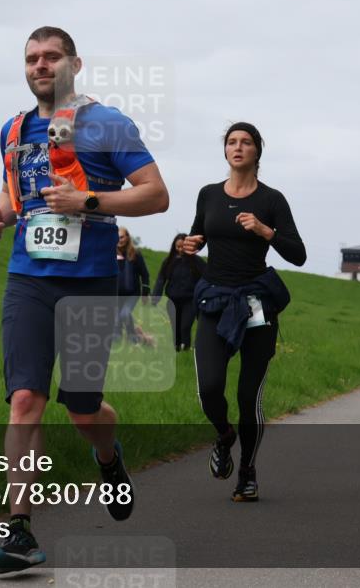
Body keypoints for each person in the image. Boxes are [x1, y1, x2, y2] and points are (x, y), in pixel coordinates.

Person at [0, 26, 169, 574]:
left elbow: (156, 194)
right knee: (24, 400)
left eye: (52, 57)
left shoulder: (107, 123)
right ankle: (19, 530)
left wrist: (88, 199)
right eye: (32, 58)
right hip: (28, 281)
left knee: (83, 411)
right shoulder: (13, 129)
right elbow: (15, 192)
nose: (41, 65)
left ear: (75, 64)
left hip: (90, 283)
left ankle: (108, 460)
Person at [181, 122, 306, 502]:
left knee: (248, 396)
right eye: (231, 142)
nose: (237, 147)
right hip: (216, 301)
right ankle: (223, 435)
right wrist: (191, 243)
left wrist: (265, 230)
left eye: (245, 142)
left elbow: (298, 255)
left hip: (256, 304)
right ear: (225, 151)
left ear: (257, 152)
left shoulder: (272, 200)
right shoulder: (208, 195)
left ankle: (248, 470)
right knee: (209, 389)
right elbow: (198, 234)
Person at [152, 233, 206, 351]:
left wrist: (205, 295)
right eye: (178, 247)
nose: (180, 249)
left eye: (183, 247)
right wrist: (155, 298)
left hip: (190, 300)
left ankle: (186, 347)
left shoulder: (197, 262)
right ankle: (176, 348)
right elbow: (161, 279)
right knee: (175, 327)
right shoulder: (168, 262)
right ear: (174, 247)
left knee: (185, 326)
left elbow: (206, 278)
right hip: (172, 300)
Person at [116, 227, 151, 344]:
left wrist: (145, 293)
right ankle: (119, 338)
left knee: (125, 313)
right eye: (117, 237)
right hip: (115, 293)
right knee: (116, 318)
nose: (119, 240)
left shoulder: (135, 254)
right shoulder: (110, 254)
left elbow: (145, 274)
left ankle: (133, 336)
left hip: (132, 293)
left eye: (121, 237)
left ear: (127, 238)